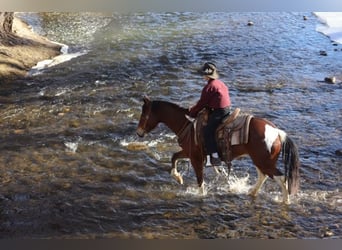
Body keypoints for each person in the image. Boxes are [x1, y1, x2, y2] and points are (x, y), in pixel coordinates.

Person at [189, 62, 231, 166]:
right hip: (227, 109)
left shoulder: (209, 87)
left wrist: (192, 112)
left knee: (207, 131)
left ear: (206, 75)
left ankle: (215, 156)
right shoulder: (220, 83)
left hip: (219, 112)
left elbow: (201, 103)